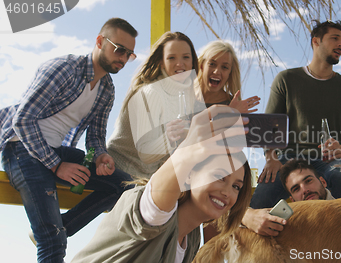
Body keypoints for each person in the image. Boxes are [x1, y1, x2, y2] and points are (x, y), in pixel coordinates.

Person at [0, 18, 138, 262]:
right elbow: (22, 121)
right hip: (21, 150)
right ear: (99, 41)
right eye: (119, 49)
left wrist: (101, 155)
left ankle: (60, 227)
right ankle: (53, 233)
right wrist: (56, 165)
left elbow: (95, 136)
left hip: (56, 152)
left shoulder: (107, 89)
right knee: (52, 243)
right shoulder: (64, 69)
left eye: (129, 54)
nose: (123, 58)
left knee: (126, 187)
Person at [72, 105, 253, 263]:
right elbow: (156, 203)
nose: (227, 192)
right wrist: (189, 148)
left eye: (236, 186)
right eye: (220, 176)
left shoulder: (191, 240)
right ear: (189, 175)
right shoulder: (154, 213)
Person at [251, 20, 341, 209]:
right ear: (316, 42)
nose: (340, 45)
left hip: (331, 160)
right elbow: (269, 125)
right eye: (335, 39)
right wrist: (271, 157)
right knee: (259, 202)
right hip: (287, 158)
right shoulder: (286, 79)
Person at [107, 31, 200, 178]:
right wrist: (169, 138)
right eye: (171, 58)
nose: (180, 63)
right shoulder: (151, 93)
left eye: (186, 57)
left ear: (193, 61)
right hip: (120, 170)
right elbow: (145, 153)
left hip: (149, 177)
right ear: (161, 61)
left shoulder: (186, 96)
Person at [242, 158, 334, 237]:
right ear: (293, 200)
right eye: (296, 189)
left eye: (308, 181)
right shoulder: (289, 226)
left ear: (323, 182)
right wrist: (246, 216)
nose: (305, 190)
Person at [195, 40, 260, 112]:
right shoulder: (183, 97)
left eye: (224, 67)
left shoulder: (235, 107)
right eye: (212, 64)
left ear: (230, 73)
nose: (217, 72)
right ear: (201, 66)